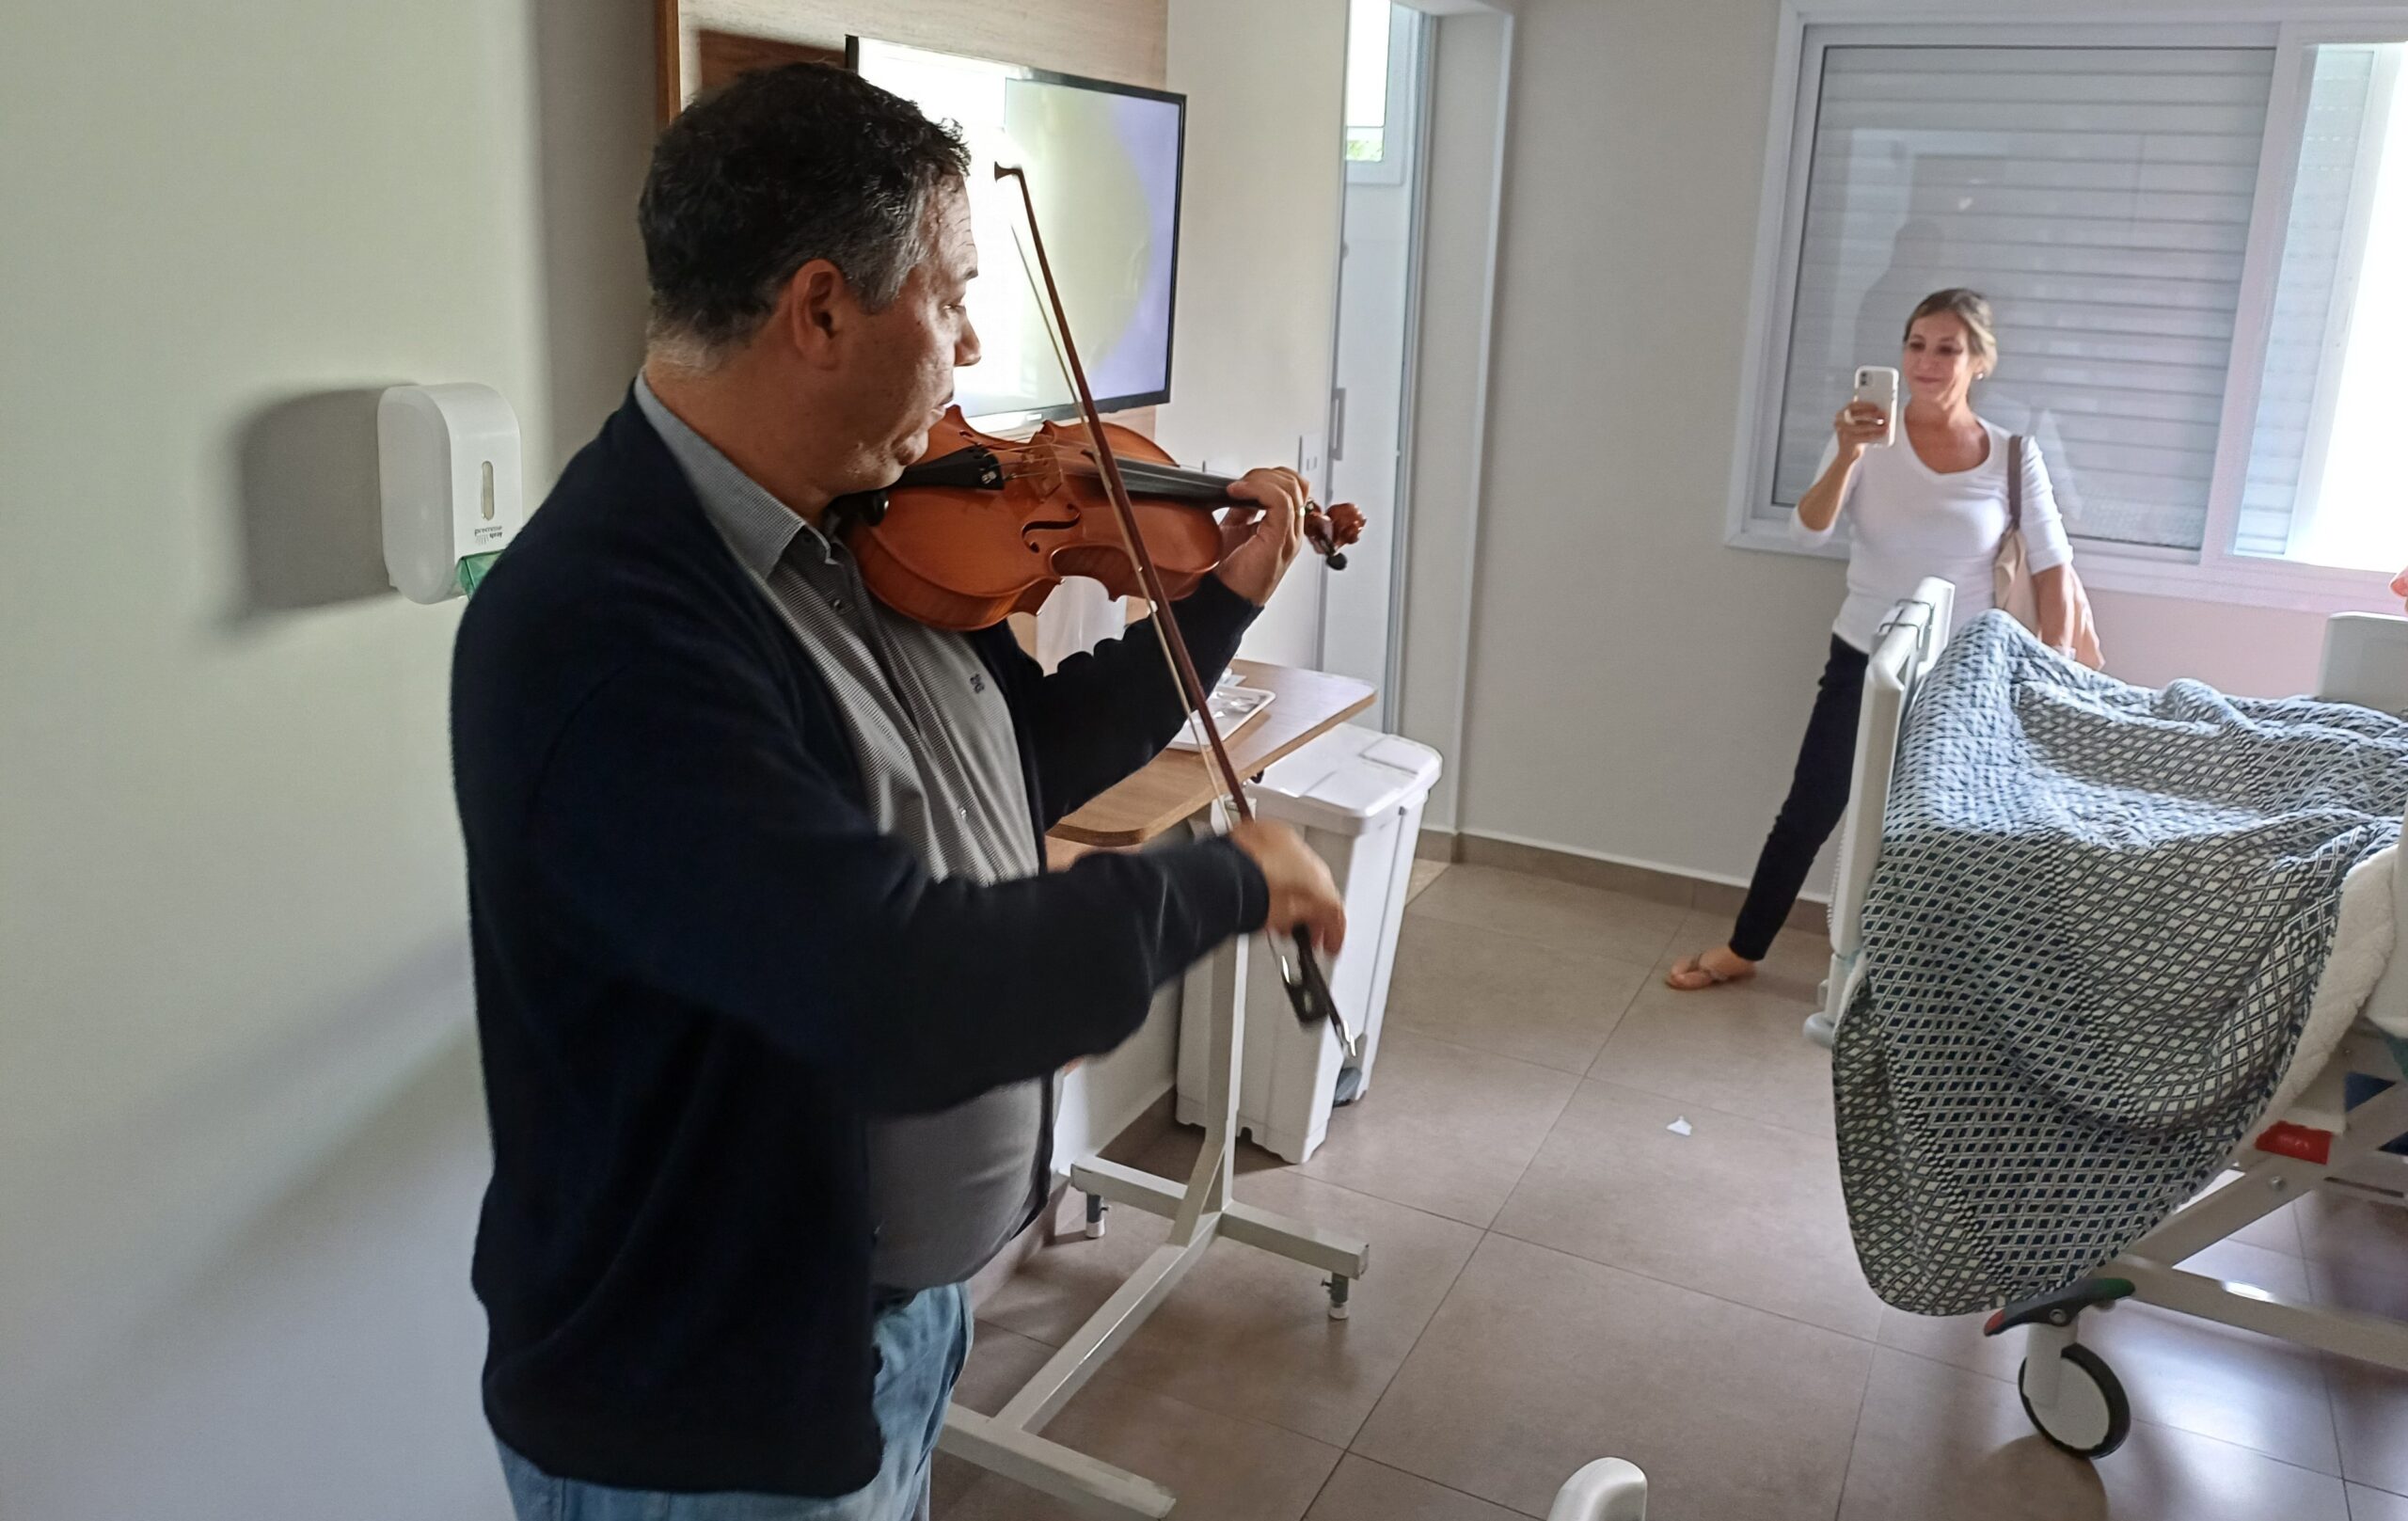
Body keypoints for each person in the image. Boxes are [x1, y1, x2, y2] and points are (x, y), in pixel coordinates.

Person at [449, 63, 1348, 1521]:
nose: (975, 343)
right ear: (820, 310)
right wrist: (1228, 878)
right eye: (950, 294)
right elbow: (902, 992)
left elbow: (1018, 759)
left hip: (882, 1344)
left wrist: (1220, 609)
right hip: (704, 1425)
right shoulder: (612, 630)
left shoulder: (854, 536)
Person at [1670, 288, 2077, 990]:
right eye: (1915, 344)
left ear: (1979, 362)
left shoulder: (2012, 455)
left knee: (1944, 831)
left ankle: (1920, 984)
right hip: (1863, 654)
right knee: (1812, 807)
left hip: (1963, 675)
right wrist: (1849, 454)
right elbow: (1809, 528)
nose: (1926, 361)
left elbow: (2054, 570)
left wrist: (2056, 672)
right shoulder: (1864, 437)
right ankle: (1746, 945)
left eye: (1948, 348)